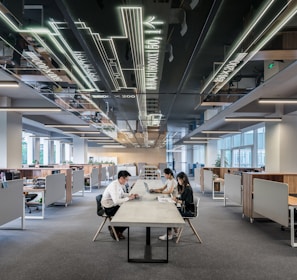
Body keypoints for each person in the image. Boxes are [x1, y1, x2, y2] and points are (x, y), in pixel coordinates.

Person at [101, 170, 139, 240]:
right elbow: (116, 201)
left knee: (130, 212)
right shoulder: (114, 186)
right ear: (121, 178)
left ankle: (115, 228)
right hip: (109, 208)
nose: (127, 181)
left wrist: (131, 195)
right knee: (129, 215)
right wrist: (128, 198)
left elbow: (122, 194)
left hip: (113, 204)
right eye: (126, 180)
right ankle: (116, 230)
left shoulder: (118, 184)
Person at [159, 171, 194, 241]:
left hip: (188, 211)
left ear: (183, 179)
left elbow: (187, 203)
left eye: (178, 179)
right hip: (185, 208)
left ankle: (169, 234)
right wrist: (176, 198)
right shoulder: (185, 187)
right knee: (170, 211)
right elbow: (182, 198)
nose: (178, 181)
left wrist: (177, 200)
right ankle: (175, 230)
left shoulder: (188, 189)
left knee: (169, 213)